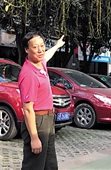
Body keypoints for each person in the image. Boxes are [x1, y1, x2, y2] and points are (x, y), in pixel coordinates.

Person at [18, 32, 65, 170]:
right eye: (35, 47)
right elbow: (27, 109)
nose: (40, 50)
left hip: (48, 119)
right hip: (38, 121)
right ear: (27, 50)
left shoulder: (40, 65)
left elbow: (46, 55)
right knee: (35, 165)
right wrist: (34, 137)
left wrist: (56, 46)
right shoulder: (29, 74)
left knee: (50, 164)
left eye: (42, 46)